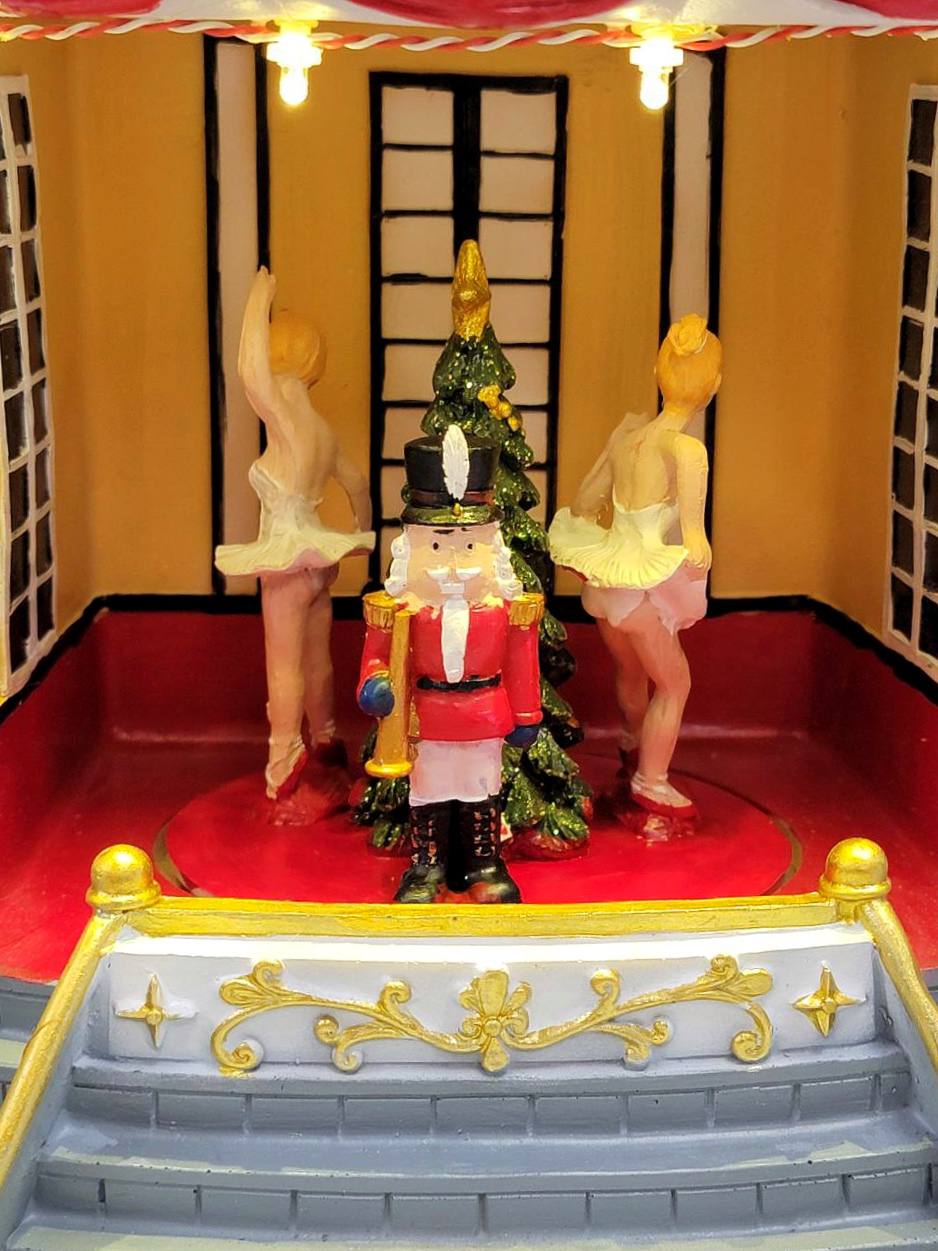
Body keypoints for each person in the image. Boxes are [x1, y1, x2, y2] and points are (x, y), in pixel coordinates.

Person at [548, 314, 722, 828]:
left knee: (630, 671)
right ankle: (651, 780)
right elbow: (695, 539)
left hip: (606, 582)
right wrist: (693, 554)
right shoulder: (686, 449)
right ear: (713, 385)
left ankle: (631, 748)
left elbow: (584, 502)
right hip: (639, 585)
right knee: (674, 684)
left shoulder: (628, 438)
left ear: (657, 373)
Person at [357, 425, 542, 903]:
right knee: (430, 788)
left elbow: (520, 661)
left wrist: (526, 715)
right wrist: (375, 687)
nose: (454, 565)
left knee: (481, 786)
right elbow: (376, 659)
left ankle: (484, 863)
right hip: (428, 716)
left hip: (484, 713)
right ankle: (428, 866)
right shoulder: (399, 614)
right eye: (437, 547)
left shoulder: (507, 612)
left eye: (469, 547)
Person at [216, 267, 374, 801]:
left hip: (287, 558)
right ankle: (326, 737)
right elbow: (357, 485)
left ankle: (283, 753)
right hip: (319, 555)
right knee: (317, 658)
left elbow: (249, 373)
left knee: (283, 667)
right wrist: (362, 531)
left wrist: (256, 302)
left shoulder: (282, 416)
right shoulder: (322, 431)